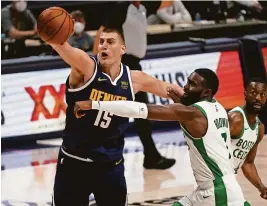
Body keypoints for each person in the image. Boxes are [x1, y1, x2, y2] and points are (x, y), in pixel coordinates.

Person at [49, 26, 183, 206]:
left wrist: (196, 101)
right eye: (101, 41)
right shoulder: (86, 67)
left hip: (111, 164)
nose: (103, 46)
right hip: (75, 163)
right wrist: (51, 34)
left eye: (110, 42)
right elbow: (62, 46)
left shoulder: (133, 78)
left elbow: (169, 90)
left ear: (122, 49)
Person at [74, 68, 248, 205]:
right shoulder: (217, 107)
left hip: (217, 193)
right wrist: (183, 106)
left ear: (206, 92)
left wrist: (96, 104)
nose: (185, 87)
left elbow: (140, 110)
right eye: (187, 81)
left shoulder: (191, 113)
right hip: (218, 187)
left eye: (193, 84)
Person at [93, 0, 175, 170]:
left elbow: (168, 2)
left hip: (134, 65)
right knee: (115, 113)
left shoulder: (144, 7)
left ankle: (151, 156)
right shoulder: (121, 7)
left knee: (140, 113)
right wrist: (98, 63)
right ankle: (97, 157)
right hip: (122, 65)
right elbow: (102, 32)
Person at [228, 78, 267, 200]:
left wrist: (261, 187)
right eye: (254, 93)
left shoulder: (259, 128)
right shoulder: (235, 119)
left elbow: (248, 163)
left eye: (263, 94)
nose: (258, 98)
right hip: (214, 179)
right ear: (245, 94)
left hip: (228, 180)